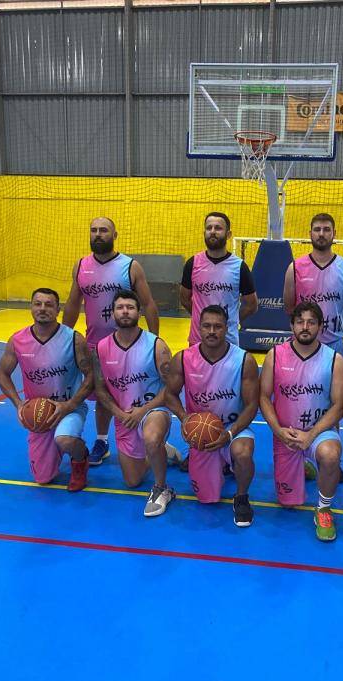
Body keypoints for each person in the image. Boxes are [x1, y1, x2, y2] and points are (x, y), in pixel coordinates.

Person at [62, 216, 161, 467]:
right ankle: (102, 441)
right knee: (101, 395)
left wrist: (154, 340)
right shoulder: (81, 266)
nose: (98, 234)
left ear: (114, 235)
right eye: (94, 230)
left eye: (104, 230)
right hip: (96, 345)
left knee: (136, 394)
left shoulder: (130, 266)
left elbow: (148, 304)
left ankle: (150, 438)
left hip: (130, 344)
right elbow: (72, 304)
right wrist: (63, 338)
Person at [260, 301, 343, 542]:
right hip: (285, 434)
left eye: (311, 322)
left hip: (318, 433)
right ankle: (305, 465)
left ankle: (324, 509)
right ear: (292, 325)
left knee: (330, 455)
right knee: (288, 503)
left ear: (320, 326)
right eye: (300, 322)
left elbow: (339, 405)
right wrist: (278, 430)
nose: (305, 327)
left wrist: (311, 435)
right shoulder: (275, 355)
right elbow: (264, 397)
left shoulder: (334, 359)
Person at [164, 305, 259, 527]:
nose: (212, 331)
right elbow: (169, 394)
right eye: (207, 326)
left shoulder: (244, 360)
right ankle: (221, 465)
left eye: (218, 326)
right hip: (203, 433)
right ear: (199, 328)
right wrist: (185, 418)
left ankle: (241, 497)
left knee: (243, 453)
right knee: (207, 498)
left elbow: (252, 405)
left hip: (233, 428)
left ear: (227, 328)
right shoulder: (183, 358)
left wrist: (229, 433)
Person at [0, 287, 93, 491]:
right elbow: (2, 374)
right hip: (38, 413)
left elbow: (92, 376)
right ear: (31, 307)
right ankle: (56, 447)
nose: (42, 308)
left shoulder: (74, 339)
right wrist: (19, 404)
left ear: (58, 309)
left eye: (49, 305)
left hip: (70, 408)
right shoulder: (17, 340)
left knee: (65, 439)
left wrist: (70, 405)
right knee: (43, 477)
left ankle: (80, 459)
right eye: (37, 304)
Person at [93, 289, 177, 517]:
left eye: (130, 307)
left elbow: (171, 387)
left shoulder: (156, 345)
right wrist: (118, 413)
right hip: (124, 417)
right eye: (120, 307)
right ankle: (162, 451)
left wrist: (143, 411)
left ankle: (162, 488)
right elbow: (100, 389)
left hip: (153, 410)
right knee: (132, 480)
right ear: (112, 313)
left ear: (139, 312)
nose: (125, 311)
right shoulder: (101, 348)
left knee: (151, 436)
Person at [283, 213, 343, 362]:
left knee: (336, 378)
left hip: (334, 343)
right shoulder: (295, 267)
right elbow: (289, 308)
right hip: (302, 344)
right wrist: (308, 326)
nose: (321, 234)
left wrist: (331, 326)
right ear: (310, 233)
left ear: (334, 233)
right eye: (317, 229)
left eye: (326, 229)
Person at [179, 212, 258, 347]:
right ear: (204, 232)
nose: (212, 231)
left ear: (228, 234)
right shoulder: (193, 263)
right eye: (209, 228)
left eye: (218, 228)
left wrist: (232, 320)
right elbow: (184, 299)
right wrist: (201, 317)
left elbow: (252, 305)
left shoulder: (239, 267)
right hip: (198, 340)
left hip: (228, 342)